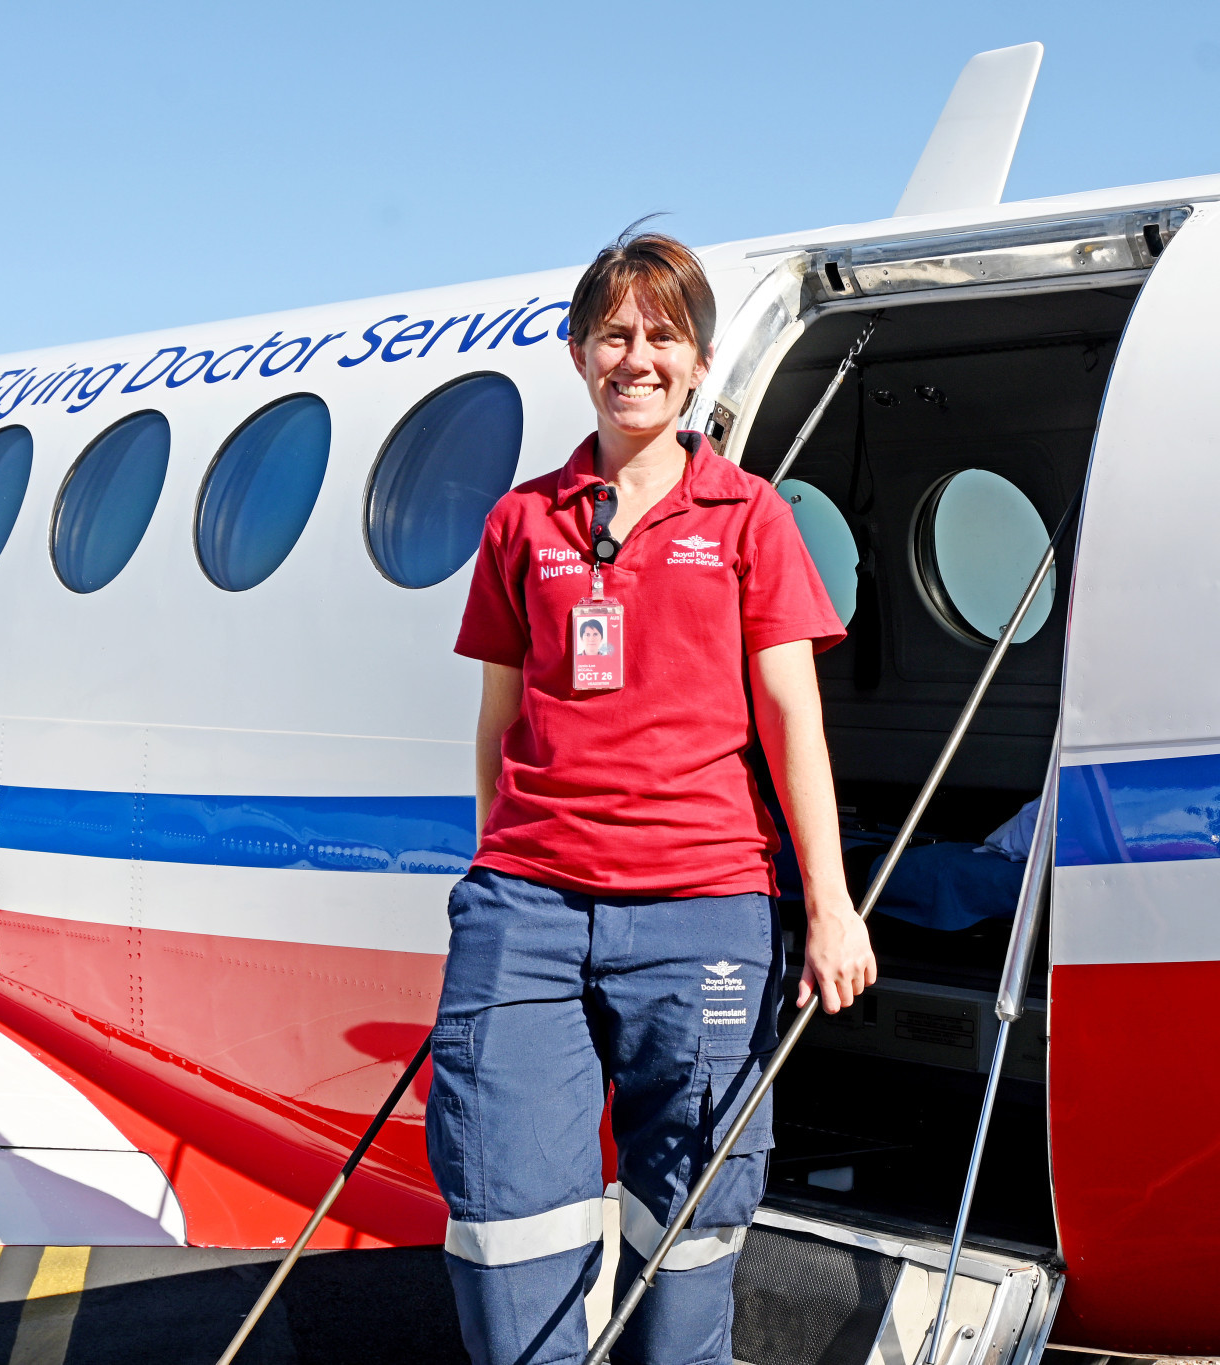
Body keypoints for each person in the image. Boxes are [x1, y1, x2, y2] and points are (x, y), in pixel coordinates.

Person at [431, 226, 876, 1365]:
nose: (636, 357)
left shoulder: (748, 520)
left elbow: (790, 723)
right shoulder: (520, 523)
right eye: (614, 334)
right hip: (526, 910)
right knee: (502, 1206)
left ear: (699, 364)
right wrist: (501, 866)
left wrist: (828, 903)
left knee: (689, 1213)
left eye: (662, 336)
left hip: (702, 908)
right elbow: (497, 719)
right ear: (579, 352)